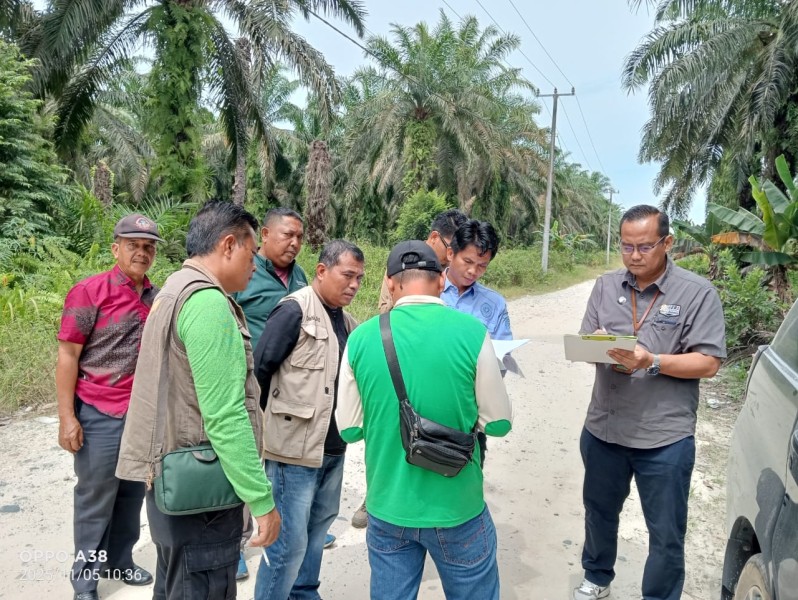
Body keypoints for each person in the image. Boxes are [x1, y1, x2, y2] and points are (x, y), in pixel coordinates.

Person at [116, 200, 281, 600]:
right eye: (251, 251)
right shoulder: (207, 304)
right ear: (228, 245)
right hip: (202, 498)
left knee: (176, 588)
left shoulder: (173, 289)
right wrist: (261, 500)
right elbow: (225, 416)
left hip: (174, 485)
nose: (255, 265)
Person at [336, 240, 513, 600]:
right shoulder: (473, 333)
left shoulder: (359, 339)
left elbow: (349, 429)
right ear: (440, 281)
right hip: (458, 508)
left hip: (388, 508)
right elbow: (498, 424)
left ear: (389, 282)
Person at [572, 205, 726, 600]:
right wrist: (598, 346)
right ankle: (597, 577)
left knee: (666, 531)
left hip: (665, 437)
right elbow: (584, 340)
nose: (634, 256)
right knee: (600, 513)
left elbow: (708, 362)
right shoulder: (606, 286)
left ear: (667, 242)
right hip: (604, 429)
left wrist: (651, 360)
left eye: (644, 247)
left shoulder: (696, 293)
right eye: (626, 247)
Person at [56, 213, 162, 600]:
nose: (141, 252)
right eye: (132, 245)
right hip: (99, 412)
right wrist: (67, 417)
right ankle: (85, 580)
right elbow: (68, 355)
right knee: (95, 499)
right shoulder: (89, 291)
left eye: (148, 246)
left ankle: (120, 562)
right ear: (115, 247)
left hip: (141, 416)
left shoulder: (156, 296)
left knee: (131, 496)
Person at [253, 240, 364, 600]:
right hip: (293, 453)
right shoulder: (294, 310)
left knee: (317, 532)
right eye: (347, 275)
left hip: (333, 449)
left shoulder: (346, 321)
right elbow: (260, 372)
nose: (354, 285)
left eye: (360, 279)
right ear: (321, 271)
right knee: (288, 544)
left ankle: (303, 593)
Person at [349, 208, 468, 529]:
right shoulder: (405, 265)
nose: (454, 256)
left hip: (450, 363)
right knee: (397, 428)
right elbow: (389, 320)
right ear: (433, 239)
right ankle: (380, 494)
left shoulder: (454, 269)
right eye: (450, 247)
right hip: (407, 362)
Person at [232, 206, 309, 579]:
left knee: (282, 465)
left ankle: (287, 531)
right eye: (286, 235)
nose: (294, 243)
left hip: (292, 393)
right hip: (251, 386)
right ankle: (235, 544)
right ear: (264, 234)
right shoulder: (244, 272)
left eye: (299, 237)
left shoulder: (301, 277)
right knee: (243, 462)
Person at [377, 208, 468, 313]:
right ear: (434, 237)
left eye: (458, 252)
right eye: (450, 248)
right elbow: (384, 309)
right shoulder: (405, 259)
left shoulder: (454, 269)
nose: (451, 257)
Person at [441, 219, 512, 341]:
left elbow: (503, 352)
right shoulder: (426, 292)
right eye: (468, 262)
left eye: (482, 266)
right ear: (450, 253)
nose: (473, 271)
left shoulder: (495, 304)